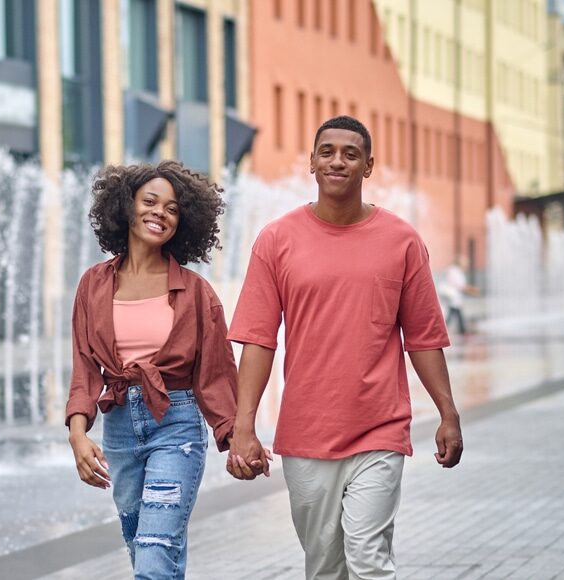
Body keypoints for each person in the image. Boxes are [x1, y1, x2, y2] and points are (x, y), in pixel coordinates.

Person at [225, 116, 464, 580]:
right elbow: (258, 338)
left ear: (368, 166)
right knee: (325, 566)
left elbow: (424, 339)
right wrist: (243, 427)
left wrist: (448, 413)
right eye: (327, 151)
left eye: (350, 153)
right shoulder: (276, 240)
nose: (338, 161)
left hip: (380, 427)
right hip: (306, 431)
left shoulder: (402, 241)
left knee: (368, 556)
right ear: (312, 162)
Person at [65, 160, 238, 579]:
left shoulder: (196, 293)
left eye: (173, 208)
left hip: (176, 425)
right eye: (150, 201)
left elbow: (216, 375)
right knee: (142, 544)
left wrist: (238, 436)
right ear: (126, 207)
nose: (160, 212)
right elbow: (85, 367)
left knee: (156, 550)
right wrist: (77, 436)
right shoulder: (94, 284)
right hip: (120, 426)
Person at [439, 257, 471, 335]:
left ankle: (460, 330)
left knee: (454, 313)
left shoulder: (456, 270)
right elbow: (458, 284)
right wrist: (469, 289)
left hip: (455, 297)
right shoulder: (454, 271)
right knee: (455, 312)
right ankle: (461, 330)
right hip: (453, 296)